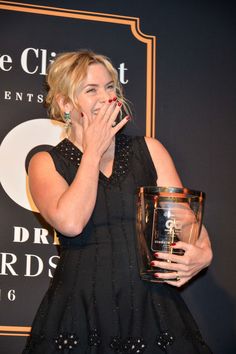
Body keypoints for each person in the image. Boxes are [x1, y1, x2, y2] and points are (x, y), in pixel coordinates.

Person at [23, 50, 213, 353]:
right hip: (79, 311)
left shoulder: (149, 150)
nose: (107, 97)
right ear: (65, 104)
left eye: (111, 87)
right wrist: (93, 151)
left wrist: (203, 249)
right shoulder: (45, 162)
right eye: (91, 89)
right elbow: (71, 222)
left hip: (151, 308)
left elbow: (185, 221)